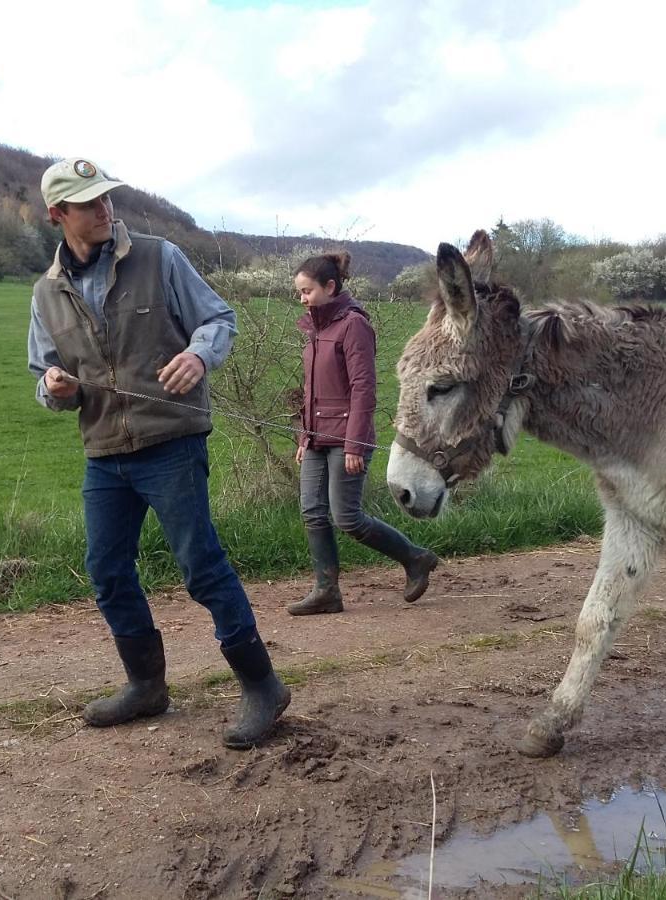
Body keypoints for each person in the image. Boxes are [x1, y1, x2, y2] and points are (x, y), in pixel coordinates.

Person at [27, 157, 290, 749]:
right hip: (104, 453)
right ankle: (146, 685)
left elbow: (218, 319)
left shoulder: (160, 256)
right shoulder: (46, 293)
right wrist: (55, 388)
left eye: (107, 198)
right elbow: (45, 380)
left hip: (171, 442)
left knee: (201, 567)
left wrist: (199, 355)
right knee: (107, 571)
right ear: (58, 215)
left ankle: (263, 685)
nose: (105, 209)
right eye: (89, 202)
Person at [291, 251, 438, 615]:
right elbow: (311, 389)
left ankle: (415, 558)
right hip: (315, 438)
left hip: (347, 439)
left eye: (307, 291)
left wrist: (355, 442)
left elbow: (363, 388)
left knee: (347, 518)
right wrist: (303, 436)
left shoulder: (353, 324)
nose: (303, 299)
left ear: (330, 286)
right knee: (312, 512)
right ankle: (326, 591)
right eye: (299, 293)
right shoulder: (315, 328)